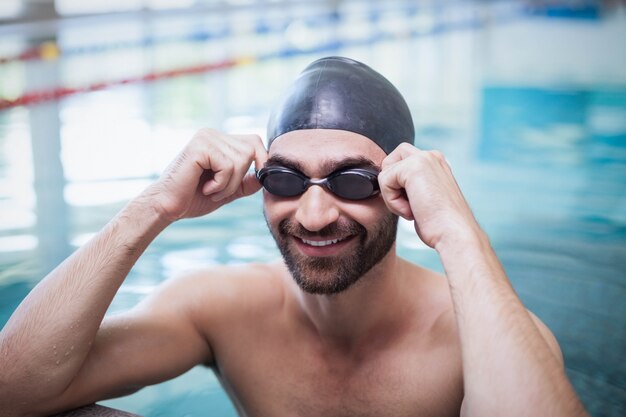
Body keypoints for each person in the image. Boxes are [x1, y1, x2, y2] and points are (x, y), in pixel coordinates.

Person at [0, 56, 588, 417]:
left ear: (401, 187)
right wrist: (154, 207)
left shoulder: (475, 340)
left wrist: (458, 231)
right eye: (284, 178)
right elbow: (14, 391)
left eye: (351, 181)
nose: (311, 215)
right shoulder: (219, 310)